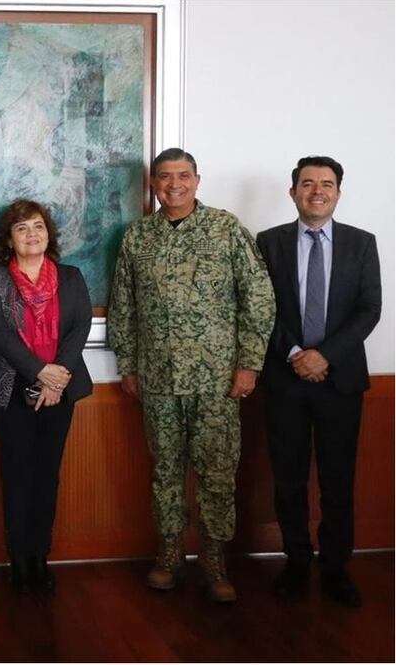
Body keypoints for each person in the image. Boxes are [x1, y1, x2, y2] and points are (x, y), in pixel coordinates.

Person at [106, 148, 275, 603]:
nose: (174, 185)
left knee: (218, 473)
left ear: (197, 180)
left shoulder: (225, 229)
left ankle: (215, 560)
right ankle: (169, 554)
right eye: (164, 177)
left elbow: (258, 300)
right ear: (153, 184)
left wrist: (248, 364)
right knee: (165, 471)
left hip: (217, 379)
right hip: (158, 379)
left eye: (183, 176)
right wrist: (128, 365)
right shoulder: (137, 237)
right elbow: (123, 307)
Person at [256, 156, 381, 608]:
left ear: (338, 193)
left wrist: (324, 355)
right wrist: (295, 354)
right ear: (293, 193)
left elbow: (369, 310)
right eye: (307, 183)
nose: (316, 191)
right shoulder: (268, 243)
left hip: (339, 380)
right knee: (288, 479)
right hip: (285, 380)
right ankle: (296, 561)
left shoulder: (361, 244)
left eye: (326, 184)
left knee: (337, 479)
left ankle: (335, 567)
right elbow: (261, 308)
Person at [0, 199, 93, 594]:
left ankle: (40, 556)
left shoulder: (71, 277)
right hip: (11, 391)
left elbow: (79, 328)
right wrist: (39, 372)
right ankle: (19, 559)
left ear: (49, 234)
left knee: (47, 475)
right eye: (22, 228)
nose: (32, 234)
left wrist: (56, 379)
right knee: (17, 474)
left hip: (62, 390)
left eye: (38, 226)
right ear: (9, 239)